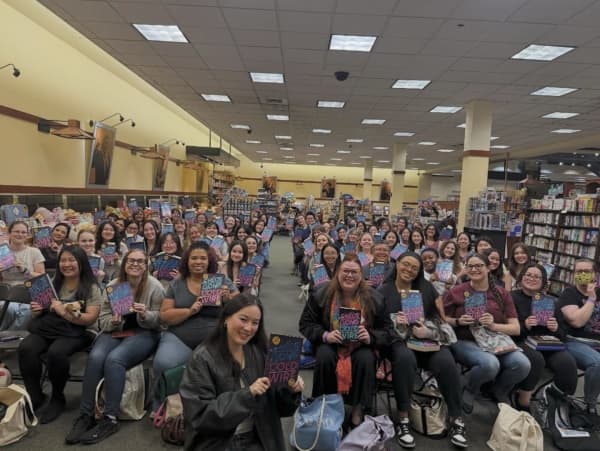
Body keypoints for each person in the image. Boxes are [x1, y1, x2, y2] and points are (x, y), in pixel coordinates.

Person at [65, 249, 165, 445]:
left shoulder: (155, 287)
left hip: (144, 333)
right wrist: (114, 321)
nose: (135, 264)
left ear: (146, 265)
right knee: (95, 358)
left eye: (140, 261)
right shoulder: (113, 286)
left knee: (115, 359)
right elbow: (101, 321)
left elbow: (162, 320)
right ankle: (86, 415)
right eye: (131, 261)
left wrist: (145, 315)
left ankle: (110, 417)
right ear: (124, 263)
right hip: (116, 331)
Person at [180, 293, 304, 450]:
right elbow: (199, 416)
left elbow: (279, 409)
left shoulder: (260, 351)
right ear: (226, 319)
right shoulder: (202, 358)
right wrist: (248, 394)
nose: (248, 328)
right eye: (243, 319)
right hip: (220, 441)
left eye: (255, 323)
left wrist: (290, 390)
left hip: (258, 436)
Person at [379, 252, 467, 449]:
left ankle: (456, 419)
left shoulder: (426, 289)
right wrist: (396, 324)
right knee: (404, 358)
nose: (409, 270)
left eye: (414, 268)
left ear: (419, 272)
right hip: (397, 343)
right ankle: (403, 418)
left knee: (446, 360)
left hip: (426, 341)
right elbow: (378, 326)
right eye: (406, 265)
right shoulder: (383, 291)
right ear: (397, 263)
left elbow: (443, 324)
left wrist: (428, 330)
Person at [299, 253, 387, 428]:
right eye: (346, 271)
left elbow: (387, 331)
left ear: (361, 275)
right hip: (331, 343)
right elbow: (305, 324)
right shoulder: (321, 293)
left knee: (366, 359)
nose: (349, 276)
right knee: (324, 356)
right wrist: (326, 335)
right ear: (338, 272)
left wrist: (370, 337)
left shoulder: (375, 298)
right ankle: (325, 406)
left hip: (360, 345)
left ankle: (358, 409)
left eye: (354, 272)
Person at [19, 246, 103, 423]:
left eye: (71, 260)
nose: (66, 264)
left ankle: (58, 398)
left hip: (80, 331)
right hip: (51, 327)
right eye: (63, 260)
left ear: (81, 263)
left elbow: (89, 319)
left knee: (56, 353)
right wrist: (36, 310)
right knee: (26, 347)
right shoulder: (51, 281)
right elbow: (38, 314)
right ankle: (36, 395)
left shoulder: (91, 287)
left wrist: (63, 311)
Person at [444, 253, 530, 414]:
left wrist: (493, 325)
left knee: (523, 364)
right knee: (490, 364)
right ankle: (470, 389)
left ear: (488, 268)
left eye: (479, 266)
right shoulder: (456, 291)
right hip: (465, 340)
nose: (474, 269)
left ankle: (497, 389)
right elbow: (442, 319)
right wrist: (457, 321)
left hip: (495, 340)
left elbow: (515, 328)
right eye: (470, 266)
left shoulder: (502, 293)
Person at [153, 241, 238, 398]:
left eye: (202, 258)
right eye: (194, 258)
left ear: (209, 261)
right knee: (162, 363)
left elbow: (241, 306)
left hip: (213, 338)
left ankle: (214, 405)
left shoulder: (219, 281)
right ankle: (163, 406)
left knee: (222, 367)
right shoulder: (176, 284)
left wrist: (228, 298)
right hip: (179, 337)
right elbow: (164, 315)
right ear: (187, 261)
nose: (198, 262)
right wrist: (189, 311)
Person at [511, 263, 578, 411]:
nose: (531, 278)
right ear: (521, 277)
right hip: (521, 340)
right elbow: (507, 327)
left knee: (567, 363)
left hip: (547, 342)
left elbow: (563, 332)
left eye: (536, 276)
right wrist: (525, 325)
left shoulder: (549, 301)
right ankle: (523, 401)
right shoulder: (511, 297)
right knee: (536, 359)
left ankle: (559, 403)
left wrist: (555, 328)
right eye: (528, 275)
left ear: (543, 281)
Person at [556, 257, 600, 415]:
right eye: (579, 271)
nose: (583, 274)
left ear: (595, 274)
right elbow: (577, 322)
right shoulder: (569, 294)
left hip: (597, 342)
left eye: (587, 271)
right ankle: (589, 406)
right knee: (597, 363)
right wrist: (591, 298)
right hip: (574, 341)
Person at [0, 220, 46, 330]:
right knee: (10, 308)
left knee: (28, 312)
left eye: (23, 232)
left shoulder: (34, 252)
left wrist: (25, 270)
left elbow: (42, 278)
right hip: (6, 294)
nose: (20, 235)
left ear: (27, 234)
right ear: (9, 233)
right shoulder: (2, 252)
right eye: (16, 231)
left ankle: (6, 338)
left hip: (28, 293)